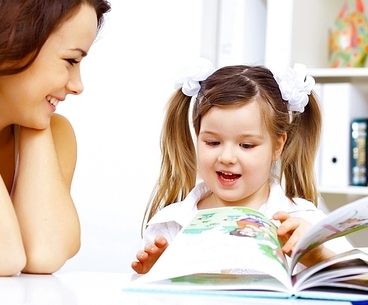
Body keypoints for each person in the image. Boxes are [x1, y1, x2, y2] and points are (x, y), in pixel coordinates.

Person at [131, 58, 353, 274]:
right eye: (213, 142)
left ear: (277, 146)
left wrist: (320, 256)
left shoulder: (305, 222)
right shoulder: (170, 225)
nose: (227, 157)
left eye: (246, 145)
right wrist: (152, 279)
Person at [0, 0, 110, 276]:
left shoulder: (54, 134)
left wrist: (34, 118)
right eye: (70, 60)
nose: (78, 85)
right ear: (9, 42)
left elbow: (44, 253)